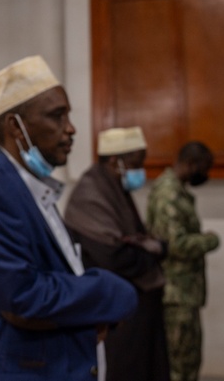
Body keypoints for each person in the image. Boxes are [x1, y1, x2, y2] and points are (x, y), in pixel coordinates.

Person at [0, 55, 138, 381]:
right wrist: (112, 292)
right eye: (57, 116)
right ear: (15, 127)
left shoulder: (31, 188)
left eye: (68, 115)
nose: (71, 128)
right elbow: (22, 297)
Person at [64, 126, 170, 381]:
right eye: (136, 163)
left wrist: (149, 249)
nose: (140, 171)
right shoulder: (91, 193)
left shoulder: (115, 187)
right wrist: (153, 253)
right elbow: (113, 256)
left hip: (138, 306)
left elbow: (135, 239)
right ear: (115, 161)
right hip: (116, 310)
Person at [146, 141, 221, 381]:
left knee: (190, 362)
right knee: (178, 367)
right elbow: (174, 244)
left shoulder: (177, 190)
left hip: (185, 293)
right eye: (204, 168)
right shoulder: (169, 194)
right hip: (175, 295)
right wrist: (209, 240)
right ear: (191, 164)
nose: (205, 174)